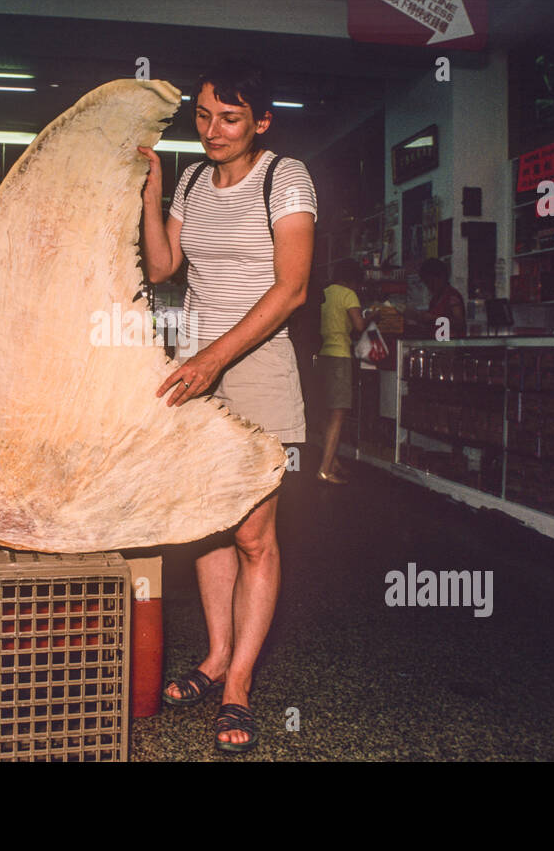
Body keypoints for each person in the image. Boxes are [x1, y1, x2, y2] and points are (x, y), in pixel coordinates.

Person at [137, 59, 315, 753]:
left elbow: (292, 288)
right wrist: (155, 190)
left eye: (231, 118)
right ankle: (214, 658)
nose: (213, 131)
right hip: (196, 366)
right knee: (209, 526)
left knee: (252, 535)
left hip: (258, 366)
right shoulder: (191, 182)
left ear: (261, 121)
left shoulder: (285, 178)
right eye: (204, 116)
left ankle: (239, 685)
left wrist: (215, 358)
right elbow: (162, 268)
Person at [316, 258, 373, 484]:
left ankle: (332, 462)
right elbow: (359, 325)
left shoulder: (324, 293)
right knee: (338, 414)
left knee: (324, 413)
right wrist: (373, 316)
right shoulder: (348, 294)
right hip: (340, 356)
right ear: (353, 280)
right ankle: (325, 470)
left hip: (321, 355)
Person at [409, 257, 467, 338]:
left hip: (450, 343)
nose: (429, 286)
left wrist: (433, 318)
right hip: (437, 342)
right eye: (427, 283)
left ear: (442, 277)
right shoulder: (435, 299)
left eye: (432, 281)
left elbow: (459, 324)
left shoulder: (452, 297)